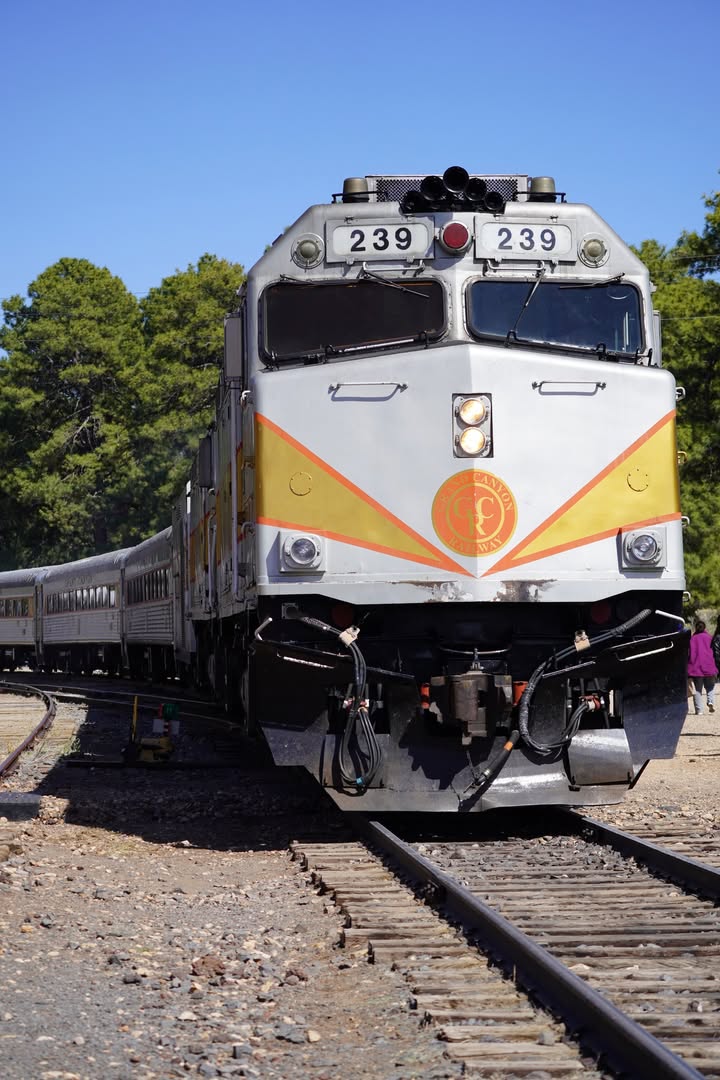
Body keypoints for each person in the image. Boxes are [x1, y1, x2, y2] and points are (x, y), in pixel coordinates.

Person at [688, 620, 718, 715]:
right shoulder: (710, 638)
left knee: (697, 690)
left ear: (696, 628)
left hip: (696, 668)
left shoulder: (692, 639)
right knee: (710, 687)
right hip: (709, 666)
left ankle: (699, 710)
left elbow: (688, 654)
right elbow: (715, 652)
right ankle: (710, 701)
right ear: (704, 628)